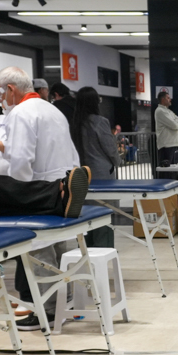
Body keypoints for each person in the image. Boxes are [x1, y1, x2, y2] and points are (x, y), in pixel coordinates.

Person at [0, 67, 80, 331]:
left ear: (10, 89)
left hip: (38, 190)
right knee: (60, 247)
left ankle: (48, 311)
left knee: (39, 252)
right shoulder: (51, 109)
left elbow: (22, 159)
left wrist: (17, 194)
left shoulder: (21, 113)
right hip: (62, 186)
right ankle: (66, 304)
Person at [72, 87, 119, 248]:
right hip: (101, 174)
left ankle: (87, 250)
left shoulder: (75, 124)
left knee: (86, 215)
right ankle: (103, 249)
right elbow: (110, 148)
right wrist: (117, 161)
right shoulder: (100, 122)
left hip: (81, 175)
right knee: (104, 213)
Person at [155, 90, 178, 165]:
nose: (170, 99)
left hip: (173, 144)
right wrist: (176, 123)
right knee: (166, 169)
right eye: (168, 98)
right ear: (163, 99)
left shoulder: (169, 112)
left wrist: (176, 122)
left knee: (174, 168)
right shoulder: (160, 111)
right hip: (166, 146)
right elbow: (175, 125)